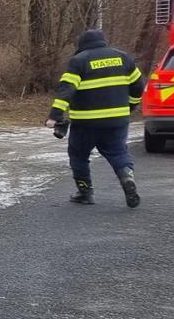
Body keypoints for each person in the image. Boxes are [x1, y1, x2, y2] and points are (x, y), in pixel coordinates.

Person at [46, 27, 146, 207]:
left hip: (86, 122)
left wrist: (55, 116)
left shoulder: (79, 61)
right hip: (117, 120)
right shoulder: (123, 58)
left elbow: (67, 89)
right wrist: (130, 106)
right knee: (118, 152)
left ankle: (85, 192)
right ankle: (126, 176)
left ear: (81, 45)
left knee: (78, 155)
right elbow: (139, 86)